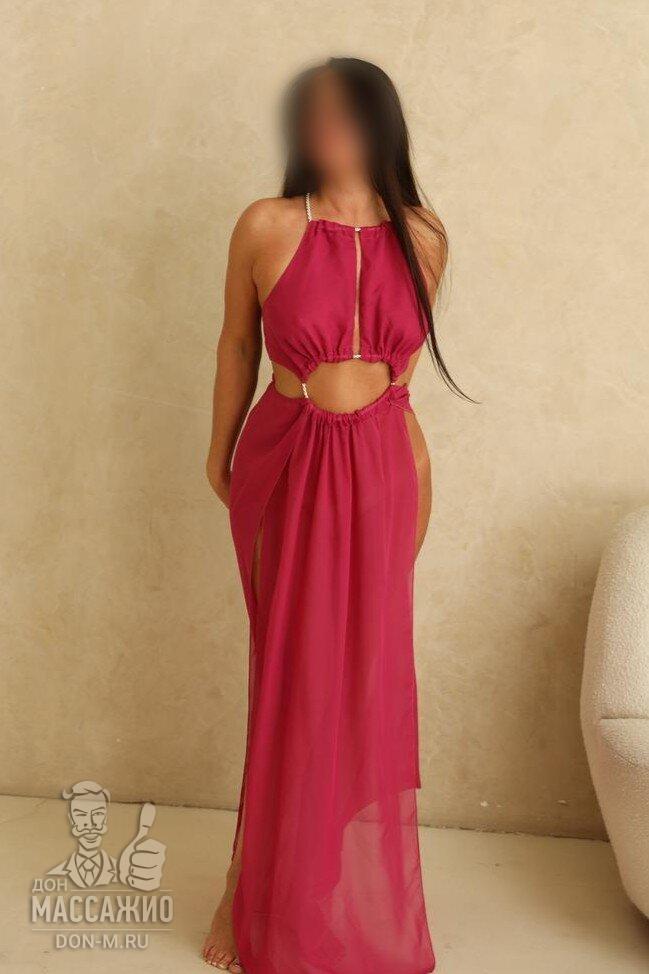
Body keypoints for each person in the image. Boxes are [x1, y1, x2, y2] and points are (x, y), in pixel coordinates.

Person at [204, 56, 461, 974]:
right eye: (308, 113)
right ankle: (248, 884)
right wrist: (216, 451)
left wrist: (412, 474)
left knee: (361, 682)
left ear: (380, 121)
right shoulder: (266, 224)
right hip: (287, 462)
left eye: (342, 112)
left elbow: (402, 379)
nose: (323, 128)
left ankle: (329, 878)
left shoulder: (423, 235)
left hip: (384, 472)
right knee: (291, 680)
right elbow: (237, 342)